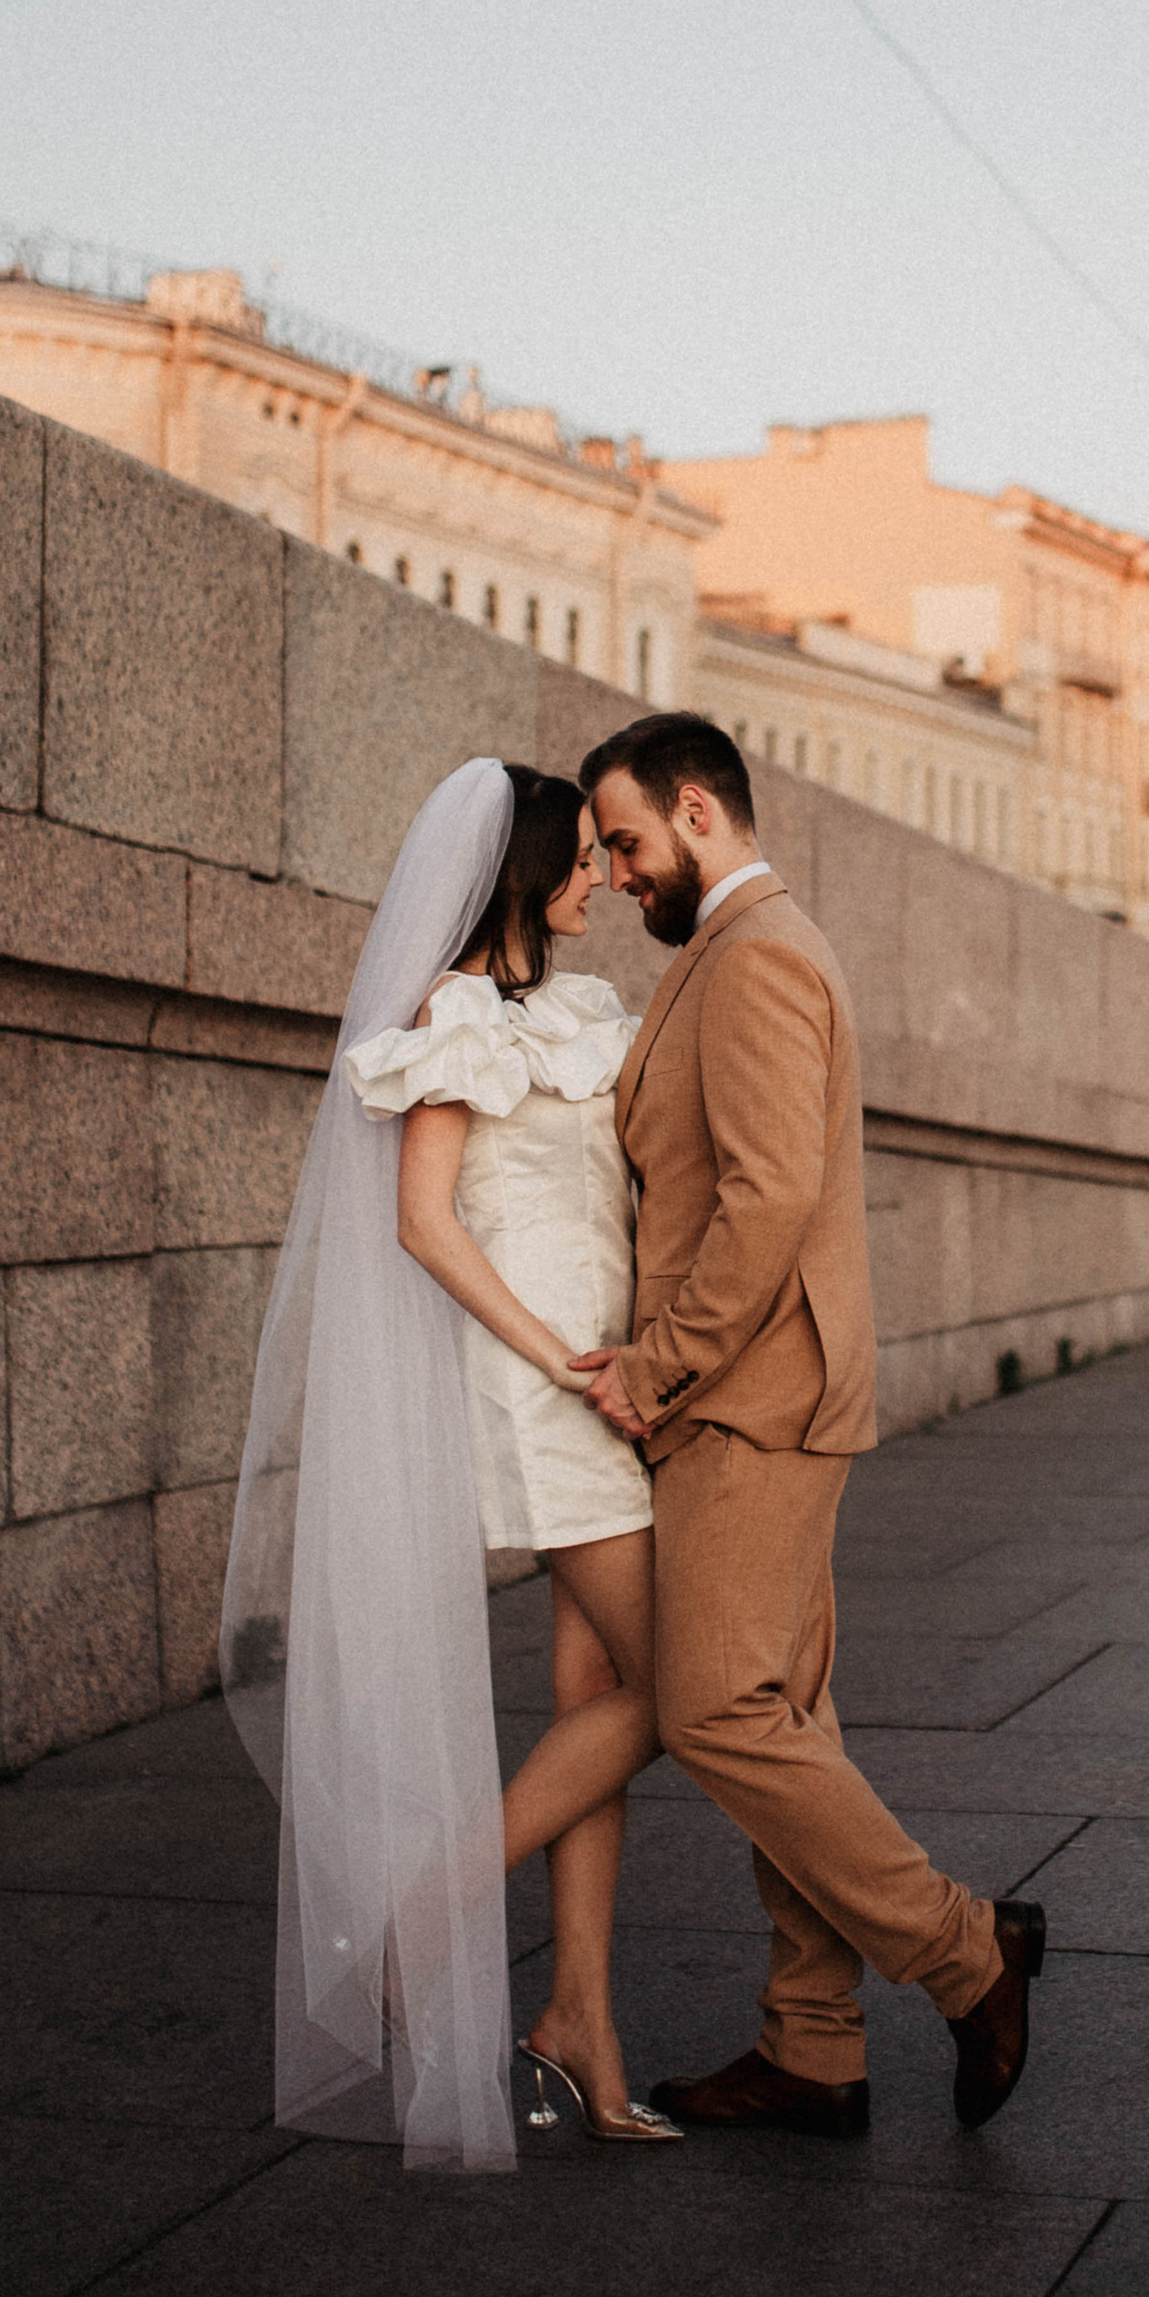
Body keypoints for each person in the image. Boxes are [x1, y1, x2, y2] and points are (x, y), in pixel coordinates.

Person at [565, 712, 1044, 2136]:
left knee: (715, 1712)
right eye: (601, 850)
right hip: (763, 1394)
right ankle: (812, 2044)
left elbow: (767, 1204)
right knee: (786, 1715)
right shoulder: (733, 954)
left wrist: (659, 1368)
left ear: (700, 811)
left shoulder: (759, 957)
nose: (617, 871)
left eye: (629, 841)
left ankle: (969, 1952)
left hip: (753, 1399)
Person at [221, 758, 674, 2172]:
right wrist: (559, 1357)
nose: (603, 877)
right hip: (548, 1397)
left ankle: (579, 2027)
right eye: (587, 860)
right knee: (695, 1684)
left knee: (596, 1689)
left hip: (606, 1383)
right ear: (529, 872)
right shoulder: (457, 1017)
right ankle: (427, 1921)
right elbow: (426, 1222)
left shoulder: (583, 1012)